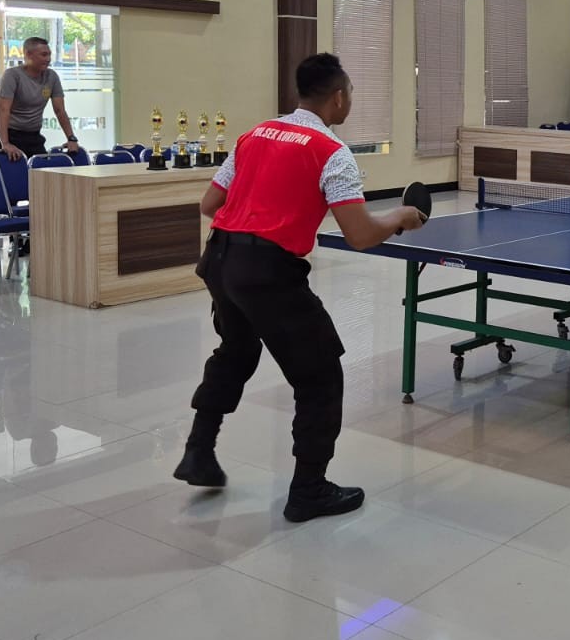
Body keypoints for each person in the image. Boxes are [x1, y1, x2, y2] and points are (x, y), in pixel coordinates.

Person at [175, 53, 426, 522]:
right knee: (320, 376)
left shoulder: (254, 135)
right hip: (268, 271)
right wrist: (399, 217)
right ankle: (309, 490)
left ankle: (198, 450)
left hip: (220, 260)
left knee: (235, 352)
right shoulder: (332, 151)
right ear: (339, 97)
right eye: (351, 93)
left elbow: (210, 204)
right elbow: (360, 235)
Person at [0, 36, 81, 161]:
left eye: (49, 55)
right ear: (28, 54)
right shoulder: (12, 75)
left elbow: (60, 111)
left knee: (41, 169)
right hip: (9, 134)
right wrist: (5, 143)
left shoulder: (51, 77)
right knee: (13, 171)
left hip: (33, 136)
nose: (48, 59)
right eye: (43, 55)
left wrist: (71, 138)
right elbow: (3, 110)